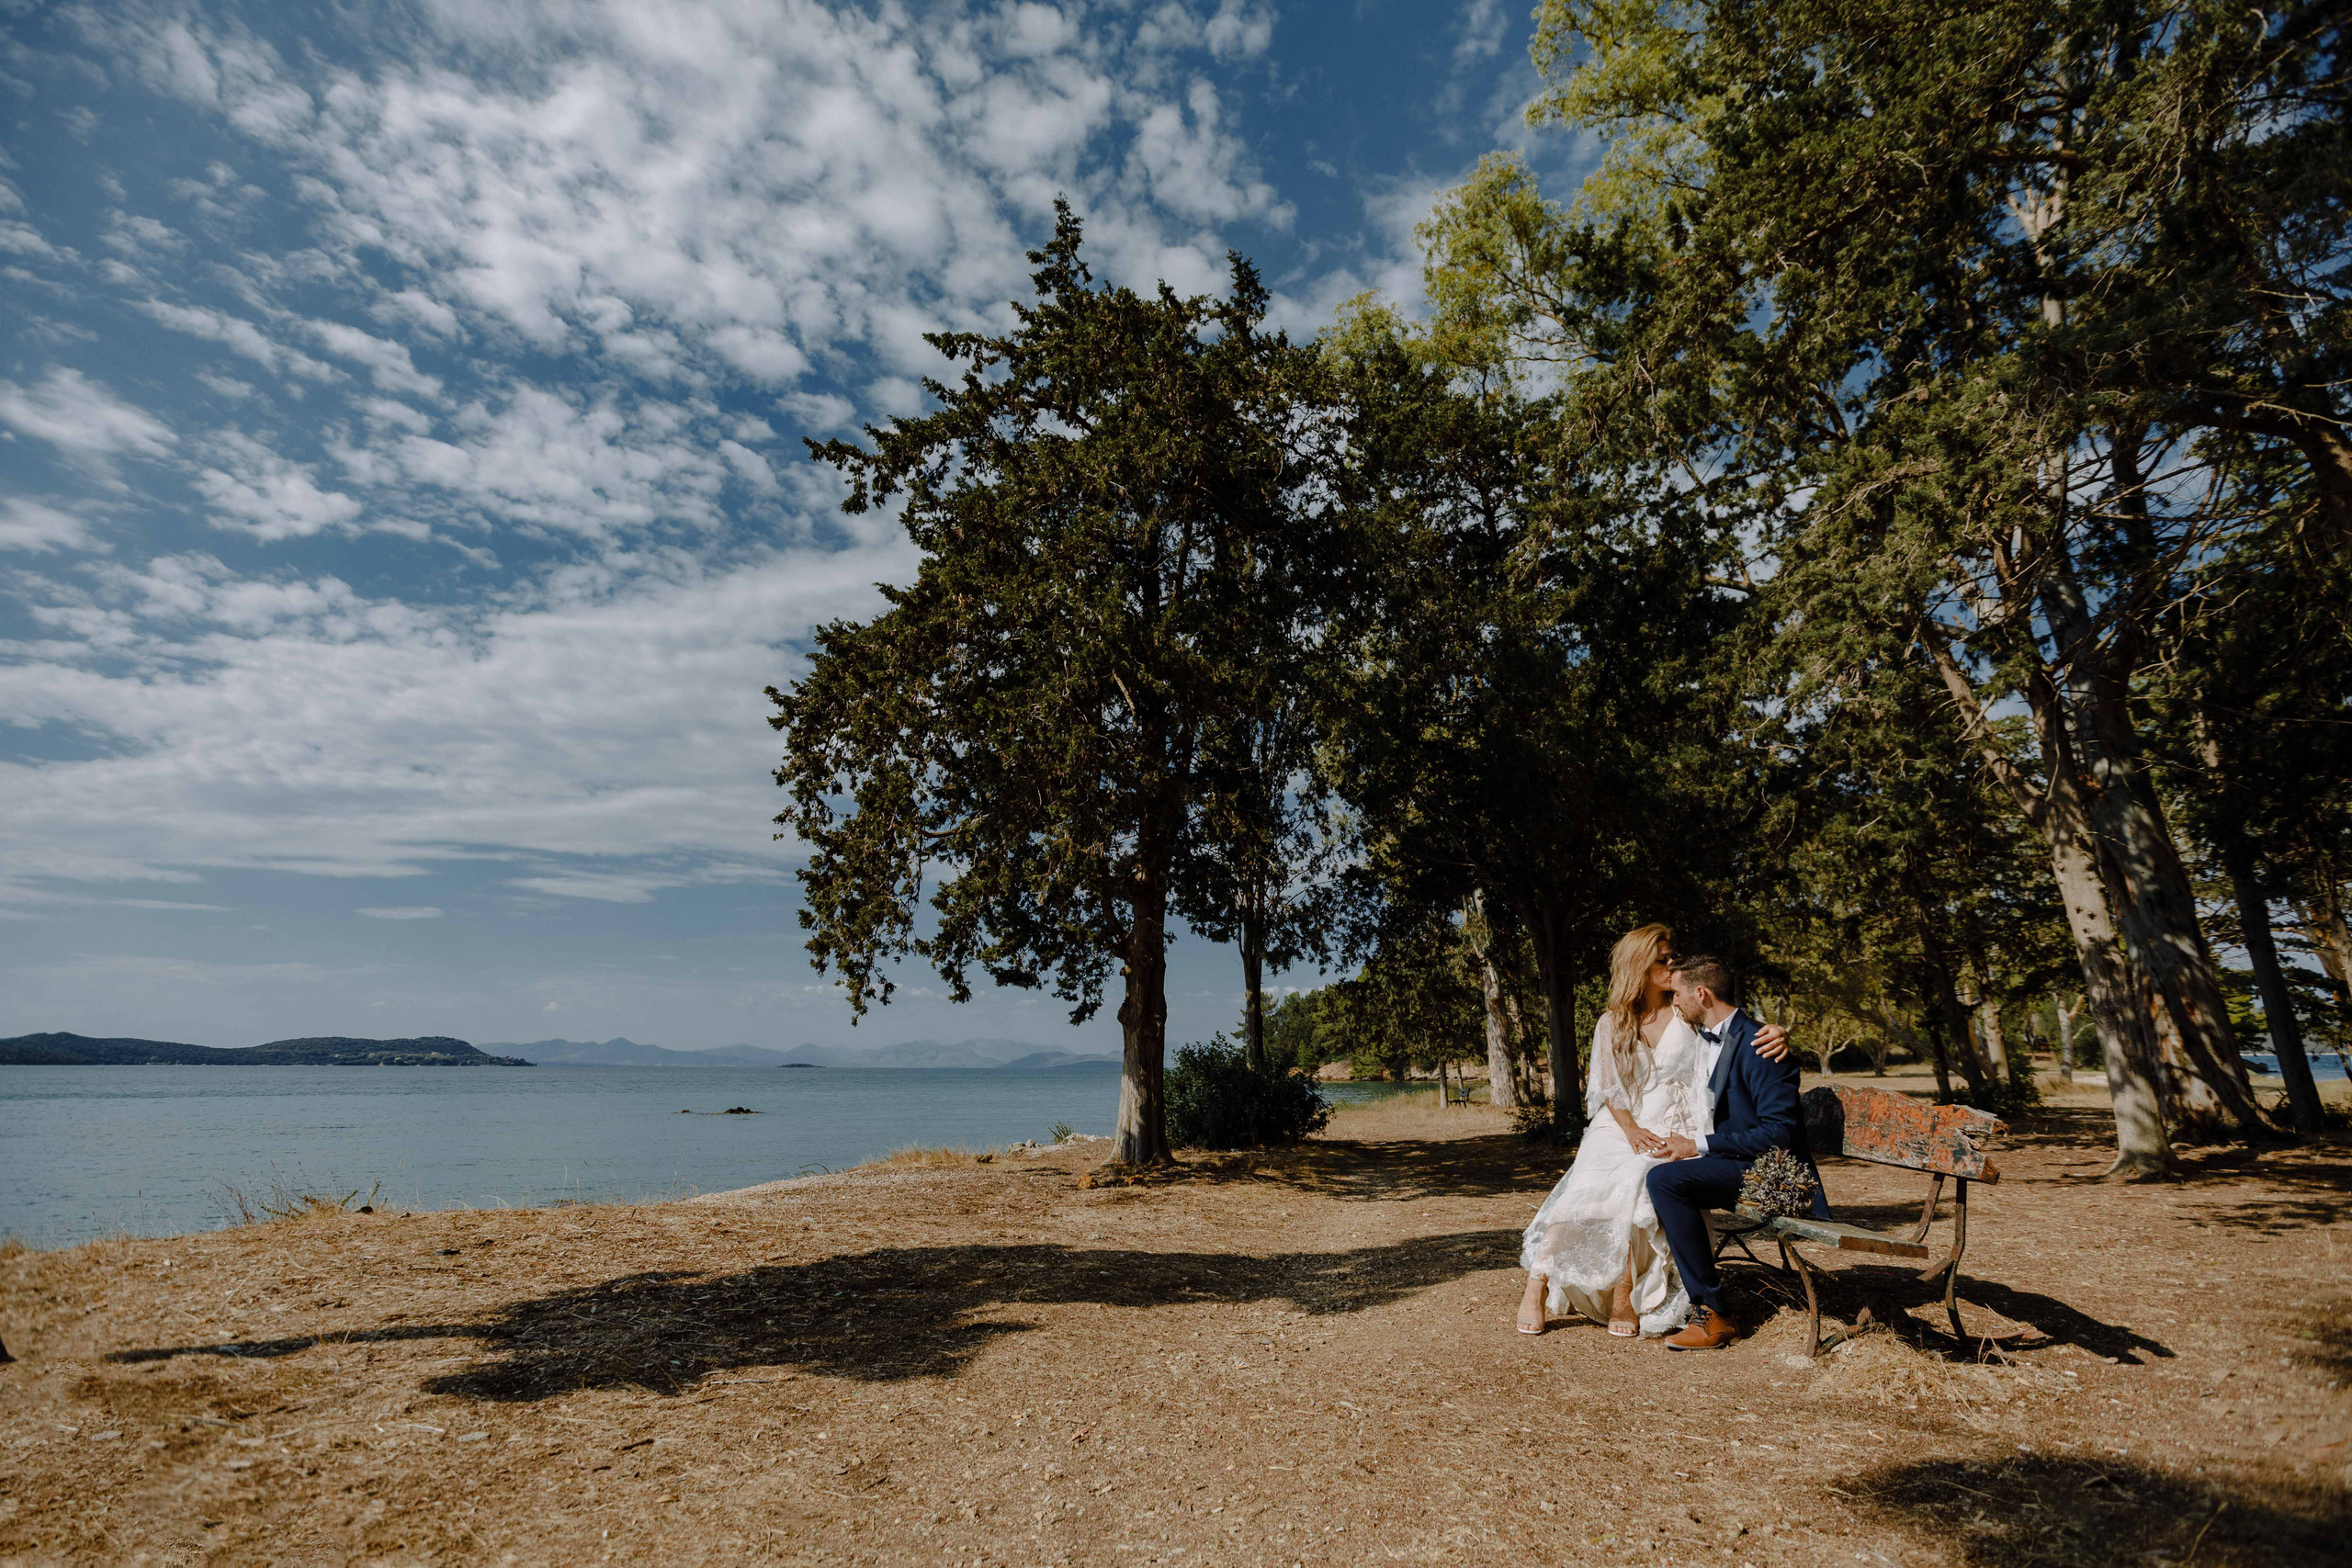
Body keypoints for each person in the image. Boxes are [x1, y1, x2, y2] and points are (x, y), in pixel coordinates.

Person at [1513, 926, 1790, 1337]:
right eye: (1663, 959)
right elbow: (1608, 1087)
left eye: (1672, 957)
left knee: (1637, 1179)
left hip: (1677, 1124)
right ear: (1639, 966)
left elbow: (1733, 1027)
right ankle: (1537, 1285)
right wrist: (1630, 1129)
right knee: (1585, 1182)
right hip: (1624, 1121)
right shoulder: (1612, 1022)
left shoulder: (1686, 1011)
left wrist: (1779, 1033)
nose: (1672, 964)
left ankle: (1625, 1291)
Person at [1645, 953, 1830, 1350]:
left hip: (1775, 1175)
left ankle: (1713, 1314)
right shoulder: (1707, 1036)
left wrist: (1694, 1145)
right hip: (1734, 1164)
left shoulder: (1761, 1045)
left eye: (1677, 994)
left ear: (1701, 993)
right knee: (1652, 1172)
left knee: (1666, 1179)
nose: (1672, 1002)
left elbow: (1778, 1135)